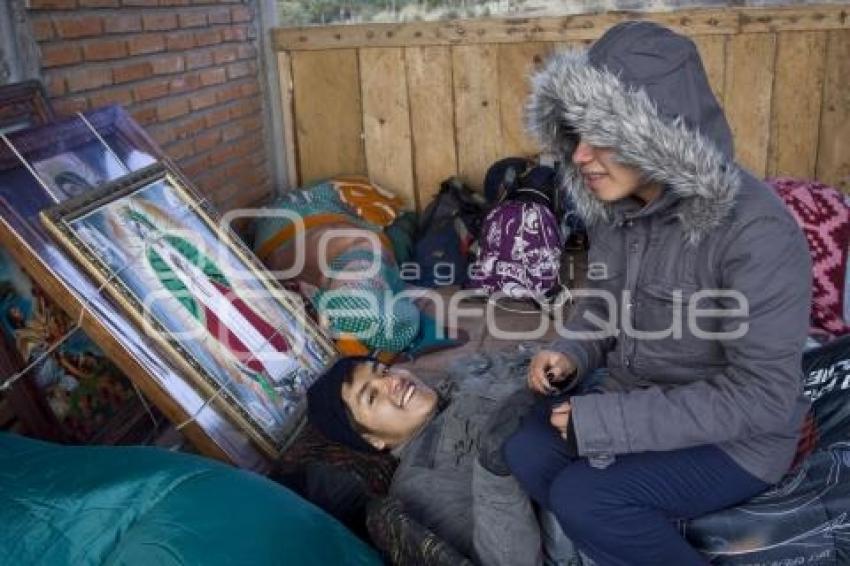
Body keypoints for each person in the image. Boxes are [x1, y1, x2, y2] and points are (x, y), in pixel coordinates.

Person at [503, 21, 813, 565]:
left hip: (739, 440)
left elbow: (761, 396)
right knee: (526, 448)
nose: (578, 156)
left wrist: (607, 423)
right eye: (577, 133)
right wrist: (571, 352)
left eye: (602, 136)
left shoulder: (757, 232)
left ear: (660, 131)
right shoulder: (617, 210)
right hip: (640, 396)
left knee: (587, 498)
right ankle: (626, 538)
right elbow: (601, 306)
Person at [306, 350, 545, 566]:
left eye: (384, 371)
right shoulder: (420, 488)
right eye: (372, 397)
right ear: (373, 441)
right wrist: (494, 472)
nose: (393, 381)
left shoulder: (464, 373)